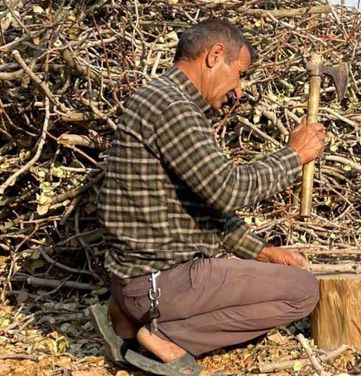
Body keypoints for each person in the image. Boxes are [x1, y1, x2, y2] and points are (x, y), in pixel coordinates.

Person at [89, 19, 324, 375]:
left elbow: (206, 205)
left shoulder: (164, 99)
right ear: (215, 56)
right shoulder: (172, 108)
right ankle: (156, 335)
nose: (239, 90)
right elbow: (228, 189)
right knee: (303, 291)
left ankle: (125, 315)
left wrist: (262, 252)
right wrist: (294, 155)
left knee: (286, 279)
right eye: (240, 73)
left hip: (141, 283)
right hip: (161, 284)